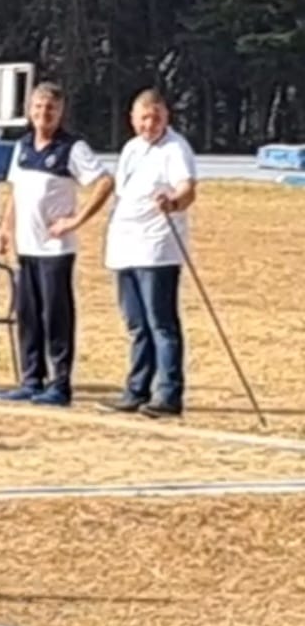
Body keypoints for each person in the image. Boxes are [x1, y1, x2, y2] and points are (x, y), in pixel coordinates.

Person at [0, 82, 113, 406]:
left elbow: (104, 182)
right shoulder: (21, 147)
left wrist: (76, 221)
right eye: (37, 108)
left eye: (50, 109)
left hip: (54, 250)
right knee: (28, 314)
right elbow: (16, 193)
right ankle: (31, 378)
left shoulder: (72, 147)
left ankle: (60, 383)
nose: (43, 114)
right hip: (26, 247)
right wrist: (5, 230)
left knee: (56, 316)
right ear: (29, 111)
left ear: (60, 112)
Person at [101, 89, 197, 418]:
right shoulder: (131, 148)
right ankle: (136, 389)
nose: (149, 124)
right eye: (144, 117)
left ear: (166, 117)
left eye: (156, 117)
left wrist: (173, 203)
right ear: (133, 119)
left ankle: (168, 394)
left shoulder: (175, 148)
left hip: (157, 248)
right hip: (125, 246)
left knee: (161, 323)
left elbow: (187, 189)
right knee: (136, 324)